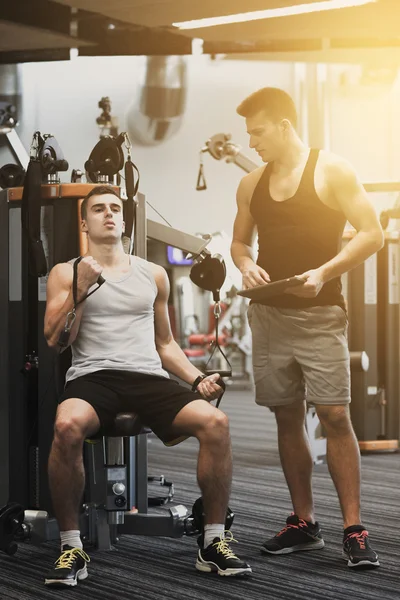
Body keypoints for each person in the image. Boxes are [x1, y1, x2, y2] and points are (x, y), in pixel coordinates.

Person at [43, 185, 251, 586]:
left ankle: (213, 542)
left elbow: (165, 343)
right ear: (84, 222)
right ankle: (71, 546)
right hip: (92, 376)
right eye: (98, 209)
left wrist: (196, 377)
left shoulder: (152, 274)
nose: (108, 214)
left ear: (124, 221)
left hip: (147, 376)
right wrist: (80, 290)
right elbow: (56, 339)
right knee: (66, 427)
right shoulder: (64, 272)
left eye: (115, 209)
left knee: (216, 424)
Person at [231, 87, 383, 568]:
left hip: (320, 316)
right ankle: (304, 523)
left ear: (284, 125)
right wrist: (246, 265)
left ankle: (353, 529)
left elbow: (372, 232)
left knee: (335, 416)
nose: (252, 142)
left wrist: (324, 272)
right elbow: (239, 242)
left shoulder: (331, 169)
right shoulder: (251, 183)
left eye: (257, 132)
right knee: (285, 416)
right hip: (269, 316)